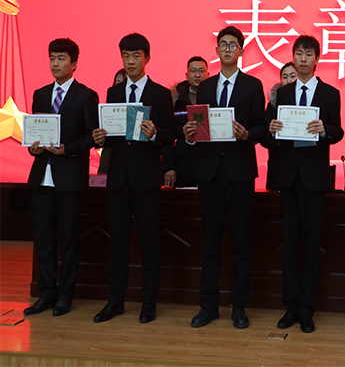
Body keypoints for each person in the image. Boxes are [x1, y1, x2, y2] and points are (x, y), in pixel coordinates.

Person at [184, 27, 265, 330]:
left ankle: (239, 307)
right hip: (209, 173)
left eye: (233, 45)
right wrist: (190, 135)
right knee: (210, 243)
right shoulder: (205, 87)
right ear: (216, 51)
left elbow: (261, 126)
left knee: (241, 242)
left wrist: (248, 135)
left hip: (239, 173)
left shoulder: (253, 85)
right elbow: (199, 126)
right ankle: (208, 306)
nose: (228, 49)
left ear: (241, 51)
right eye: (223, 44)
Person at [92, 33, 175, 324]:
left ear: (147, 58)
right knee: (117, 243)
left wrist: (155, 134)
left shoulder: (159, 93)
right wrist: (100, 137)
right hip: (118, 179)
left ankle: (148, 303)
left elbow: (170, 135)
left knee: (149, 242)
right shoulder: (113, 93)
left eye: (136, 56)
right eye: (126, 56)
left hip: (146, 179)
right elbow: (111, 136)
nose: (130, 61)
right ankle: (115, 302)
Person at [266, 36, 343, 332]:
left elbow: (338, 130)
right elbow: (268, 134)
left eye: (308, 54)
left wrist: (324, 130)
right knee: (289, 245)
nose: (302, 59)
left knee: (311, 246)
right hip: (288, 178)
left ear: (316, 59)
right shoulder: (282, 93)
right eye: (298, 53)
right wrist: (272, 129)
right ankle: (291, 306)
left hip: (313, 179)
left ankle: (308, 308)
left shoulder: (330, 93)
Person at [24, 39, 99, 318]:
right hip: (41, 177)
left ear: (74, 63)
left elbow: (92, 136)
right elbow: (35, 131)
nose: (55, 64)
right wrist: (33, 147)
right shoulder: (41, 94)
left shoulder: (86, 96)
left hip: (69, 178)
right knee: (43, 238)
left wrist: (68, 149)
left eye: (61, 58)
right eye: (52, 58)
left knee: (68, 238)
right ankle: (46, 292)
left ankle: (66, 294)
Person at [163, 56, 209, 188]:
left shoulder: (214, 97)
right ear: (187, 74)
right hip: (181, 164)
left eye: (201, 71)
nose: (197, 75)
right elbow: (168, 136)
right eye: (193, 71)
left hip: (207, 163)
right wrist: (169, 167)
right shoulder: (175, 99)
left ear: (208, 74)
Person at [265, 62, 298, 191]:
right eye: (285, 77)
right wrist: (273, 134)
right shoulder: (272, 105)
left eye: (292, 76)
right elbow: (264, 137)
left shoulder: (307, 102)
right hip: (279, 166)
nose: (288, 80)